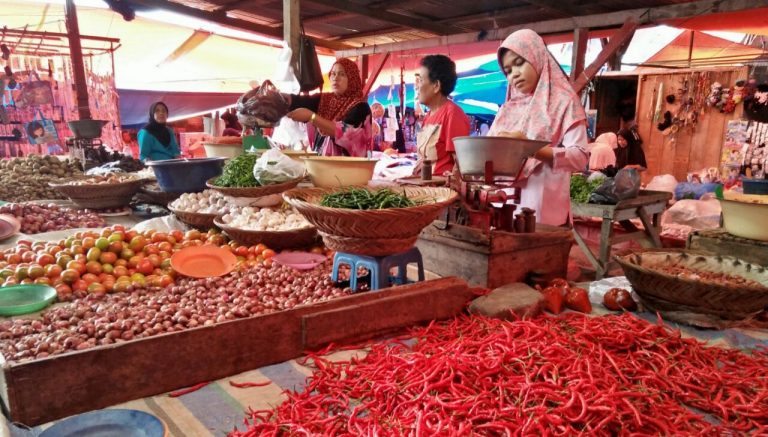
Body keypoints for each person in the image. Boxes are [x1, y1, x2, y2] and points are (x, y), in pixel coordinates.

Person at [488, 29, 588, 226]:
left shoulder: (564, 102)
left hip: (544, 212)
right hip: (503, 209)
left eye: (519, 63)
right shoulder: (508, 108)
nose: (514, 74)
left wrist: (531, 149)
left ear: (537, 56)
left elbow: (580, 158)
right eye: (508, 71)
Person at [283, 58, 371, 157]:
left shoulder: (361, 107)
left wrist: (311, 117)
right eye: (333, 74)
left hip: (349, 165)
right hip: (322, 162)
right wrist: (279, 97)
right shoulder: (325, 100)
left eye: (342, 74)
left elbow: (342, 133)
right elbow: (298, 101)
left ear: (352, 79)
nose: (335, 78)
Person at [415, 54, 470, 176]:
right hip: (424, 185)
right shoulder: (428, 117)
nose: (416, 86)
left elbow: (461, 165)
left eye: (420, 80)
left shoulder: (453, 114)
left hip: (441, 187)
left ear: (436, 85)